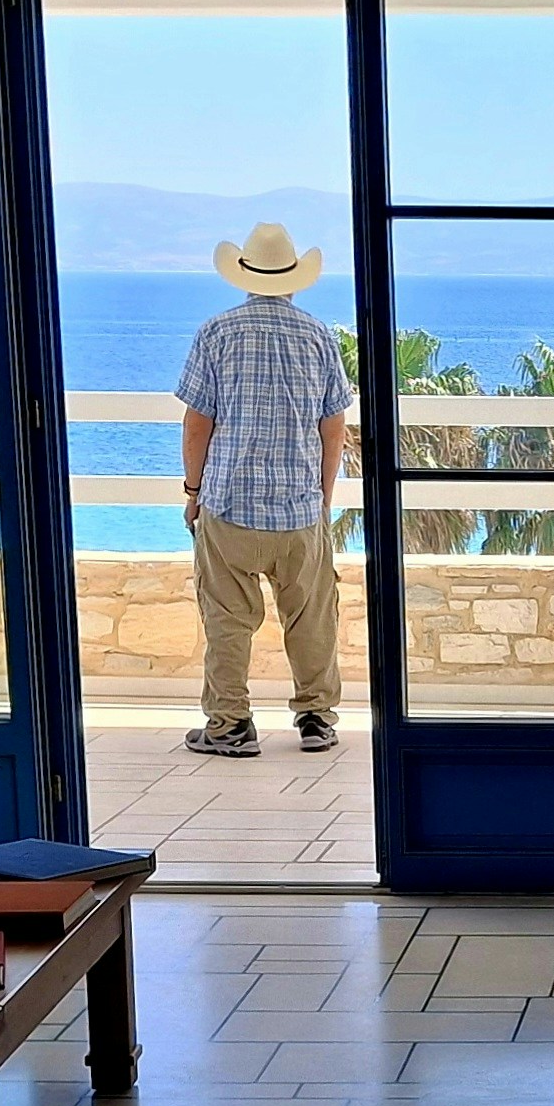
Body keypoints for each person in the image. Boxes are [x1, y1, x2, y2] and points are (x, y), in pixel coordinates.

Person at [175, 221, 352, 757]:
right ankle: (317, 718)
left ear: (244, 276)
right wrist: (321, 498)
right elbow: (334, 426)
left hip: (229, 505)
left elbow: (196, 423)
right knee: (311, 617)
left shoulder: (216, 333)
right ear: (295, 279)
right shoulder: (319, 335)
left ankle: (230, 725)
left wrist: (193, 489)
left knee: (228, 620)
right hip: (299, 510)